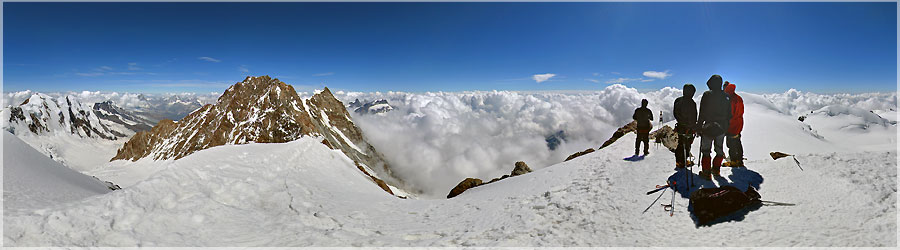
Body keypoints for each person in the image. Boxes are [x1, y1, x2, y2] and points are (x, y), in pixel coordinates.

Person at [697, 75, 731, 180]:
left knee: (706, 150)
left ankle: (706, 173)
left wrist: (699, 126)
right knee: (719, 150)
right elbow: (729, 114)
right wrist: (725, 127)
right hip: (721, 128)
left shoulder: (707, 95)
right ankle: (716, 170)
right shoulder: (726, 96)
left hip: (708, 127)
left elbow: (702, 112)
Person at [673, 83, 698, 169]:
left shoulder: (677, 100)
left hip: (680, 126)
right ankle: (683, 162)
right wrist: (694, 127)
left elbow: (675, 113)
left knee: (680, 144)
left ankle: (678, 161)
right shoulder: (691, 103)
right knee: (687, 145)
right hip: (688, 128)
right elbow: (693, 117)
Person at [723, 81, 745, 167]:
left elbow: (730, 114)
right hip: (738, 124)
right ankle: (739, 160)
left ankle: (734, 161)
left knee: (731, 144)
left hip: (731, 125)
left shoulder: (729, 99)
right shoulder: (738, 98)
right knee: (737, 142)